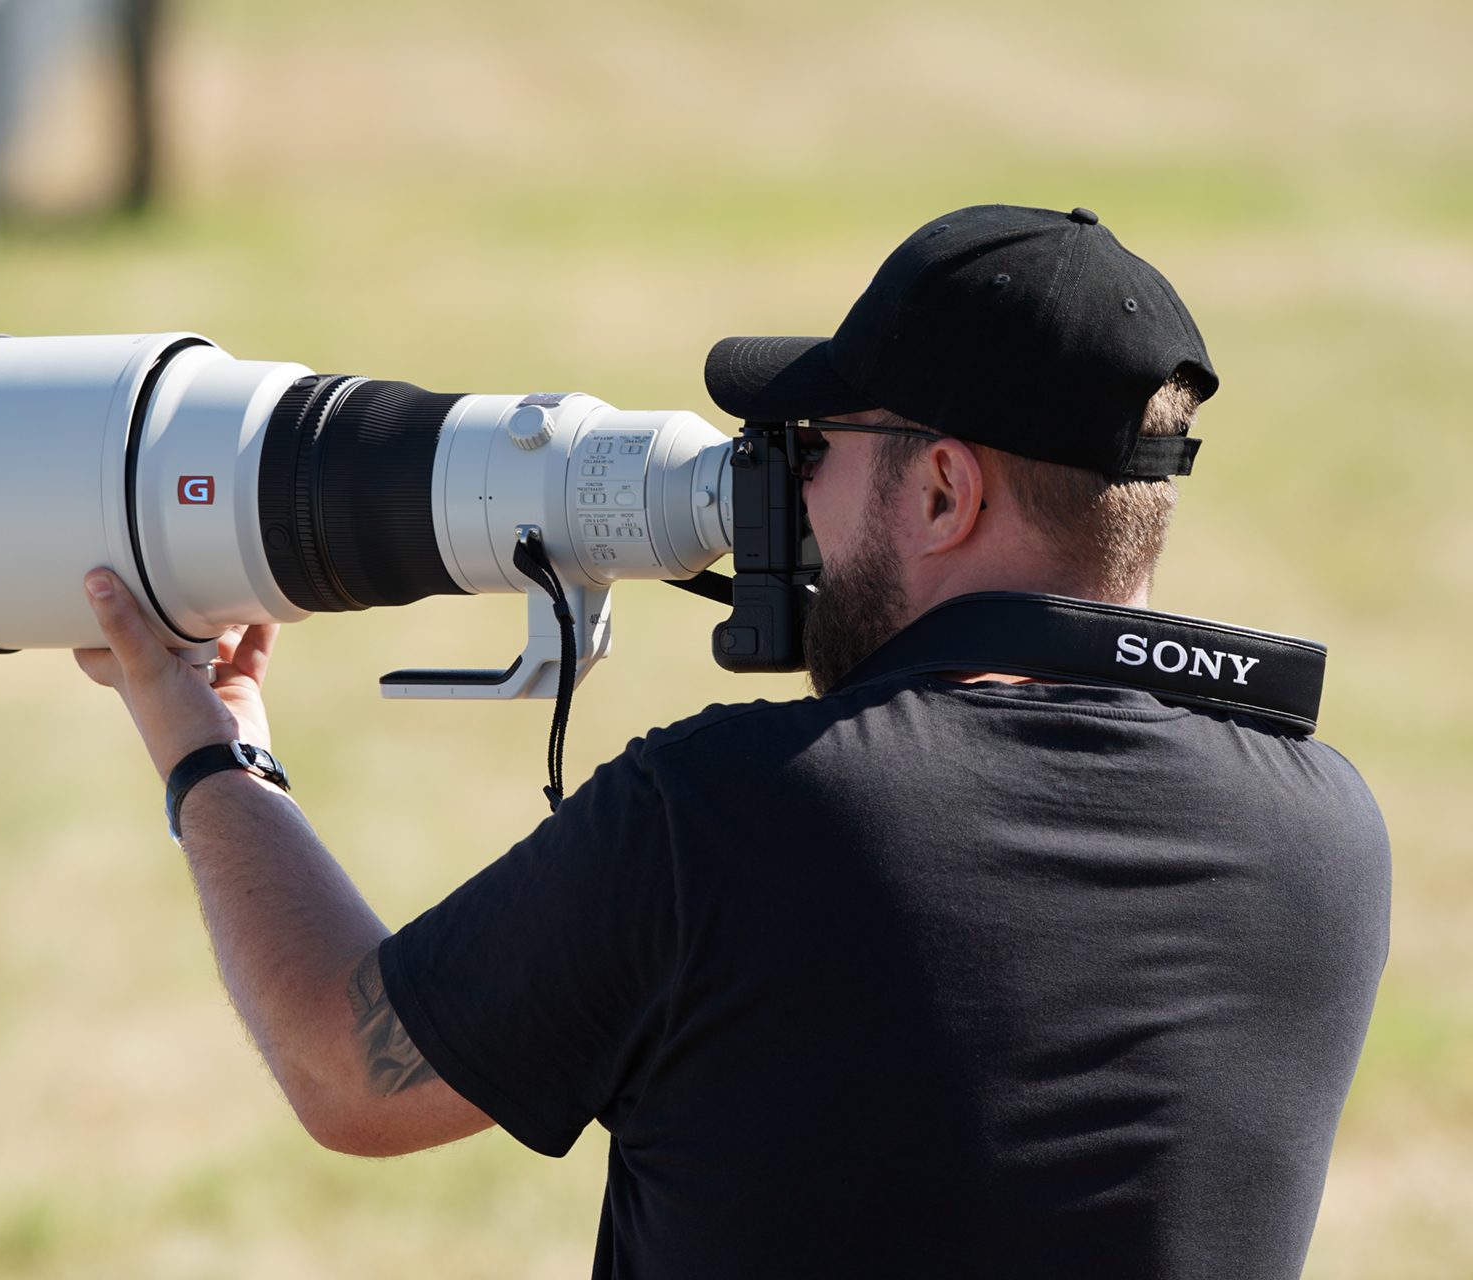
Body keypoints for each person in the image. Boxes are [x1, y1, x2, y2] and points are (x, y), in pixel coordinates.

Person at [73, 204, 1389, 1277]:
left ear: (943, 488)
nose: (784, 487)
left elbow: (343, 1069)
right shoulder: (1329, 828)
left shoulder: (735, 810)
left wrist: (203, 738)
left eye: (815, 445)